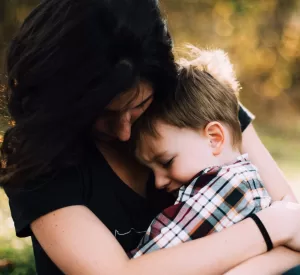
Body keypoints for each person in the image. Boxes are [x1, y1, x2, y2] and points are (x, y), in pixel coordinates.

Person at [1, 0, 300, 274]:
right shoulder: (38, 159)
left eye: (138, 107)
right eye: (102, 115)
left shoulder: (198, 107)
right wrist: (268, 227)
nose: (124, 132)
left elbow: (296, 232)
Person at [130, 48, 272, 257]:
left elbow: (153, 259)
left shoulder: (228, 186)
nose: (158, 182)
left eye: (167, 162)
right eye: (151, 170)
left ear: (214, 138)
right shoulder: (244, 180)